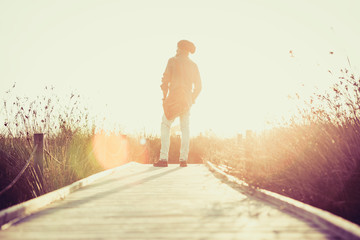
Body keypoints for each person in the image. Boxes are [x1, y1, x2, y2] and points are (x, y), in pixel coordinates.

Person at [154, 40, 202, 167]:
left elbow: (165, 81)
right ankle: (183, 160)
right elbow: (199, 87)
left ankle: (163, 159)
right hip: (186, 101)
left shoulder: (172, 61)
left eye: (177, 48)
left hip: (174, 98)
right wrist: (192, 99)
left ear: (181, 49)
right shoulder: (194, 65)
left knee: (165, 124)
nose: (176, 50)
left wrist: (164, 98)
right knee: (185, 128)